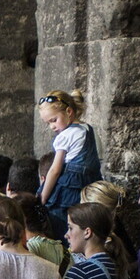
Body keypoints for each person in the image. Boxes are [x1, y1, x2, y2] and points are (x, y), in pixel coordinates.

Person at [38, 89, 101, 225]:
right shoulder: (88, 129)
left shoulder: (65, 136)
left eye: (54, 120)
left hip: (70, 187)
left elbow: (55, 170)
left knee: (58, 219)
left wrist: (43, 198)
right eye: (48, 123)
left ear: (69, 112)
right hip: (92, 183)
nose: (52, 127)